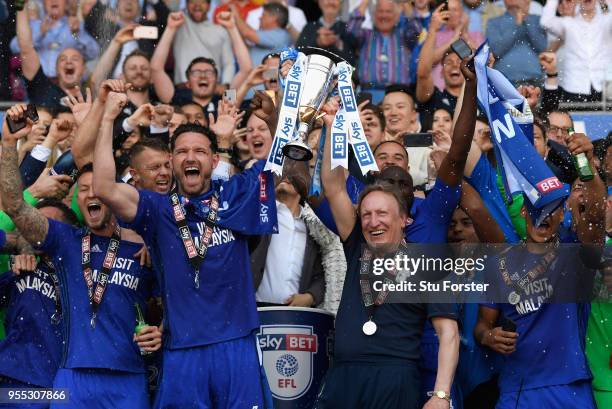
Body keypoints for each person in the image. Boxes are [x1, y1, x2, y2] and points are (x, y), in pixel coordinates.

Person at [91, 88, 278, 407]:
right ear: (172, 162)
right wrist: (109, 118)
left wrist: (271, 118)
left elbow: (278, 163)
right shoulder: (157, 209)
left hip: (236, 344)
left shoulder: (237, 196)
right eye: (181, 152)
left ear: (214, 159)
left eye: (200, 152)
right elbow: (104, 187)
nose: (191, 157)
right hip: (183, 349)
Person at [314, 53, 479, 409]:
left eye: (382, 214)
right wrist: (332, 127)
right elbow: (333, 185)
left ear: (405, 219)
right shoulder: (357, 244)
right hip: (342, 377)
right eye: (367, 214)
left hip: (395, 378)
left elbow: (448, 333)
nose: (373, 221)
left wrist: (441, 395)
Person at [0, 105, 162, 408]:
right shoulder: (66, 241)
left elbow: (171, 303)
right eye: (83, 189)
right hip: (73, 379)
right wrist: (9, 144)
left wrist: (160, 331)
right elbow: (14, 206)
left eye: (96, 188)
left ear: (112, 194)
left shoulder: (145, 249)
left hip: (129, 378)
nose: (90, 194)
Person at [474, 130, 605, 409]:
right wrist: (489, 336)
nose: (542, 216)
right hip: (517, 389)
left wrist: (589, 165)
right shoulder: (499, 263)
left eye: (550, 209)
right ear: (523, 213)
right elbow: (482, 326)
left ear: (562, 213)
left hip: (568, 387)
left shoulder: (575, 253)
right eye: (535, 209)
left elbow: (594, 215)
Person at [0, 199, 77, 401]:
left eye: (45, 223)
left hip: (69, 388)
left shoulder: (85, 276)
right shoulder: (22, 270)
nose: (36, 229)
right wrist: (9, 243)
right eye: (32, 222)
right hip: (15, 381)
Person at [252, 166, 325, 308]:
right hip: (255, 311)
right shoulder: (260, 213)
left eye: (295, 171)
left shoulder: (316, 225)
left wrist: (311, 297)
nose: (286, 175)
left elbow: (324, 272)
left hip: (295, 317)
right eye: (282, 170)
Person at [12, 7, 88, 109]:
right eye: (62, 59)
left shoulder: (91, 98)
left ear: (84, 69)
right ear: (56, 69)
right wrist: (21, 5)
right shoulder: (43, 89)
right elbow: (26, 48)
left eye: (75, 59)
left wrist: (116, 42)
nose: (68, 62)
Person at [348, 0, 422, 102]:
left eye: (388, 11)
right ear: (373, 15)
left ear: (397, 16)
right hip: (369, 95)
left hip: (399, 95)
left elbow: (417, 29)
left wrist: (405, 3)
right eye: (380, 11)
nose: (384, 15)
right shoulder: (366, 35)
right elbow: (351, 30)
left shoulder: (404, 36)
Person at [540, 0, 612, 102]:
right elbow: (546, 22)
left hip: (605, 87)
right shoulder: (568, 23)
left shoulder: (607, 20)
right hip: (574, 86)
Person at [10, 0, 99, 79]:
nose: (54, 1)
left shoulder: (75, 24)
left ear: (66, 2)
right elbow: (14, 47)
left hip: (67, 83)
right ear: (43, 2)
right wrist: (39, 33)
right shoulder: (35, 25)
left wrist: (78, 34)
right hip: (39, 85)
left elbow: (93, 53)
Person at [169, 0, 236, 86]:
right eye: (192, 2)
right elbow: (169, 6)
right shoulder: (177, 24)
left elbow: (229, 63)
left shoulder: (221, 31)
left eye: (202, 2)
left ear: (209, 6)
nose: (197, 5)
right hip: (183, 89)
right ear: (186, 4)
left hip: (212, 90)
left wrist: (226, 85)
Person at [487, 0, 547, 84]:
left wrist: (526, 19)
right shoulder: (494, 22)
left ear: (527, 1)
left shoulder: (538, 20)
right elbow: (496, 51)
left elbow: (543, 47)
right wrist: (517, 26)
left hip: (534, 81)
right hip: (503, 81)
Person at [296, 0, 356, 65]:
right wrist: (317, 41)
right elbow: (299, 52)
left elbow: (351, 62)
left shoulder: (348, 29)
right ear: (319, 2)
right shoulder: (309, 27)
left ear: (340, 3)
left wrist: (337, 43)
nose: (331, 2)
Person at [233, 2, 292, 68]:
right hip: (252, 75)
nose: (260, 18)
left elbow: (247, 33)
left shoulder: (281, 35)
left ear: (273, 18)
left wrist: (235, 13)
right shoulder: (265, 33)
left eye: (264, 15)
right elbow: (247, 47)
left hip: (266, 77)